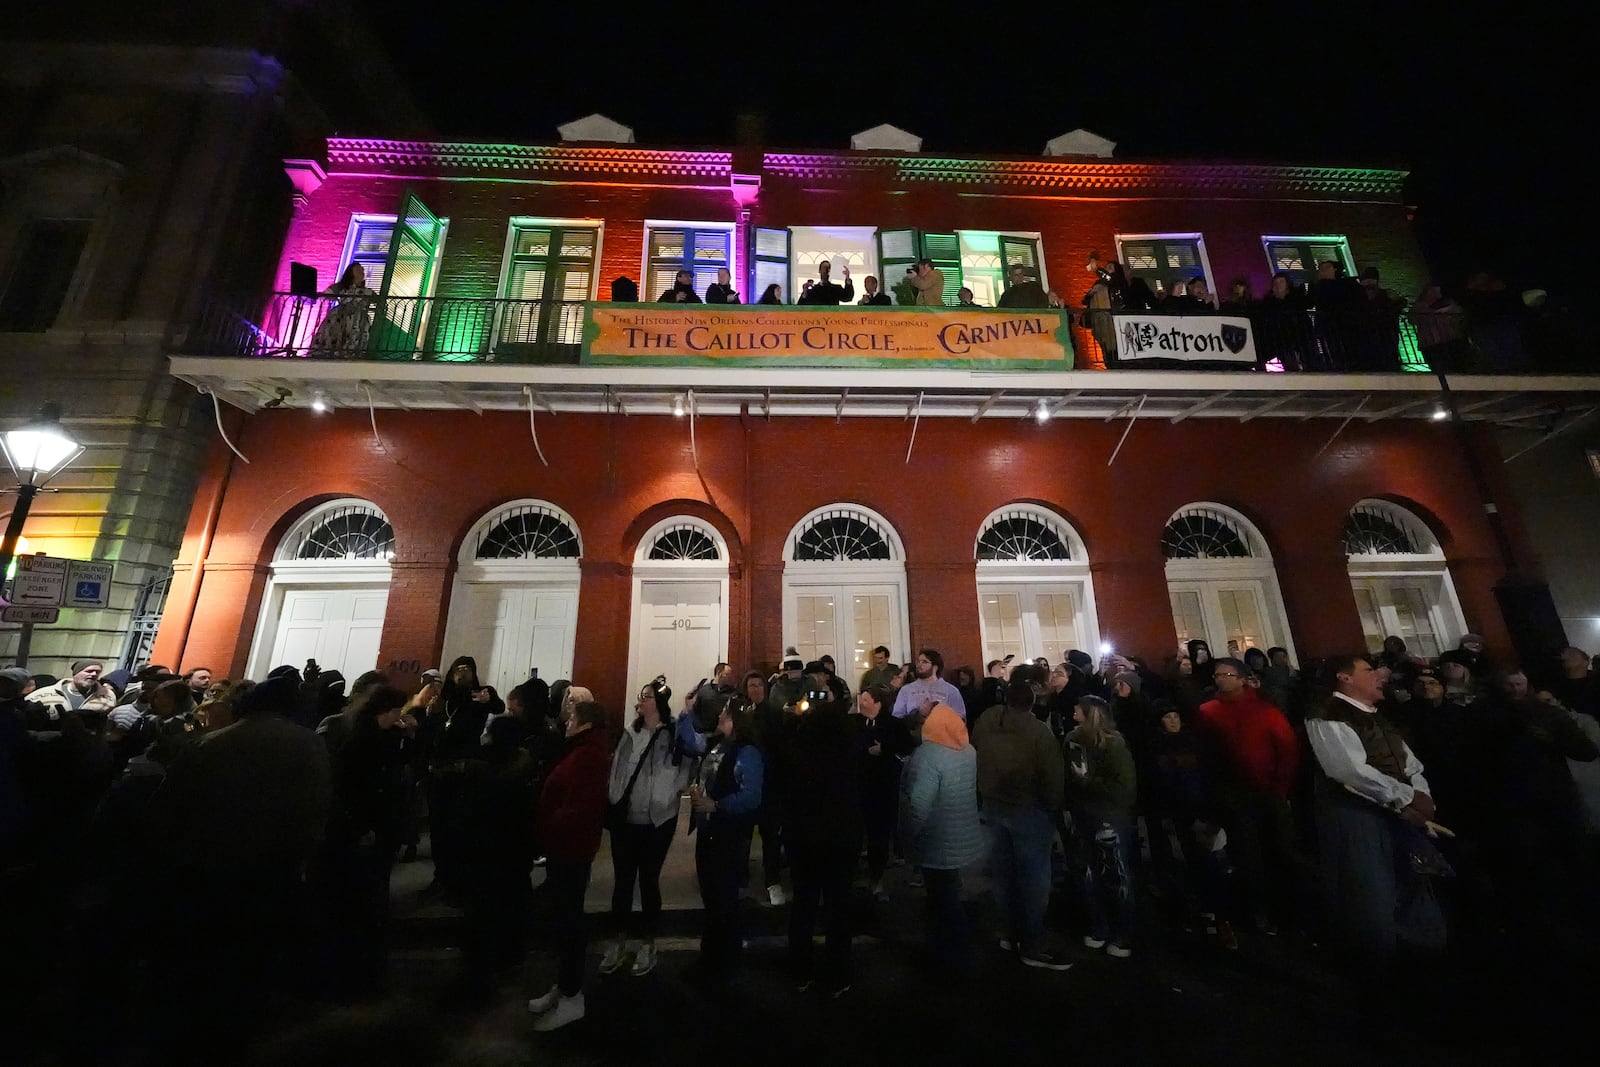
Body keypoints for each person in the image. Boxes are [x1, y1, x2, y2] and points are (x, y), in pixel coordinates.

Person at [1304, 655, 1445, 960]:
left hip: (1395, 811)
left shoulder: (1377, 716)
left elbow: (1410, 763)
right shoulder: (1326, 715)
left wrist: (1419, 795)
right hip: (1357, 814)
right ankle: (1380, 959)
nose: (1379, 675)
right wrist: (1403, 797)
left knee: (1411, 877)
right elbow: (1346, 770)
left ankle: (1421, 950)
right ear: (1345, 678)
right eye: (1368, 670)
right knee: (1370, 888)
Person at [970, 663, 1071, 970]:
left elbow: (975, 750)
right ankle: (1033, 943)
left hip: (993, 807)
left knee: (1003, 874)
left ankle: (1008, 933)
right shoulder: (1038, 733)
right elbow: (1052, 778)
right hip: (1029, 811)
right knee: (1034, 880)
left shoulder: (987, 721)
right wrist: (1054, 808)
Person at [1195, 657, 1301, 935]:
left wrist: (1280, 786)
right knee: (1247, 854)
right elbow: (1206, 755)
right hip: (1234, 794)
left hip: (1269, 791)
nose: (1221, 679)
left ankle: (1289, 909)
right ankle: (1259, 911)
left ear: (1243, 678)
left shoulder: (1265, 710)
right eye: (1218, 675)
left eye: (1227, 674)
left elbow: (1287, 748)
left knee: (1280, 850)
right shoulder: (1208, 712)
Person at [775, 671, 862, 997]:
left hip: (804, 837)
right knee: (838, 908)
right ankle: (838, 974)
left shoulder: (796, 747)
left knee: (805, 904)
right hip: (840, 837)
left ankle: (800, 970)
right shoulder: (848, 747)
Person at [527, 699, 611, 1031]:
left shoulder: (587, 756)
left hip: (570, 849)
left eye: (572, 717)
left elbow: (576, 809)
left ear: (585, 723)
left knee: (570, 922)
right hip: (566, 847)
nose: (567, 722)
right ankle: (563, 987)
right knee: (564, 920)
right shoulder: (581, 750)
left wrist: (544, 828)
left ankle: (572, 996)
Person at [599, 679, 692, 979]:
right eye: (642, 695)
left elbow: (687, 764)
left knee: (649, 881)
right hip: (626, 819)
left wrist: (671, 795)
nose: (641, 700)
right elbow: (617, 769)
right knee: (623, 882)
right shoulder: (629, 732)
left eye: (647, 696)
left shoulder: (674, 733)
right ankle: (618, 940)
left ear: (659, 703)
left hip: (657, 820)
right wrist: (614, 796)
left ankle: (647, 942)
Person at [680, 702, 764, 984]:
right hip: (709, 831)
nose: (719, 715)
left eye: (725, 713)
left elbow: (751, 795)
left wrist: (716, 805)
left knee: (724, 900)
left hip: (728, 834)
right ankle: (711, 959)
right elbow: (690, 740)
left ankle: (723, 963)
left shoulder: (747, 752)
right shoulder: (718, 744)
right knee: (712, 899)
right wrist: (688, 712)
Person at [900, 703, 983, 975]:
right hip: (962, 834)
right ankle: (951, 953)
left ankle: (950, 958)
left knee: (942, 901)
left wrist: (907, 837)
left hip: (936, 839)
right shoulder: (966, 750)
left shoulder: (928, 756)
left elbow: (918, 804)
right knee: (948, 895)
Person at [1065, 695, 1138, 958]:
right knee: (1087, 873)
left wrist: (1089, 784)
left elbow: (1125, 786)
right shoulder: (1072, 738)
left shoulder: (1113, 743)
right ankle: (1099, 925)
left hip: (1108, 816)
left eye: (1078, 707)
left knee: (1115, 874)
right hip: (1083, 814)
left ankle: (1124, 931)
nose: (1073, 710)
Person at [856, 683, 912, 901]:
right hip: (860, 785)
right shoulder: (856, 724)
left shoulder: (893, 725)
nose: (862, 703)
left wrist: (885, 750)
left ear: (878, 703)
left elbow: (906, 746)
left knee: (879, 835)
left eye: (867, 700)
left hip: (883, 787)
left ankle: (877, 878)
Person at [308, 262, 374, 357]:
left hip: (359, 320)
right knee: (336, 336)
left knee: (355, 338)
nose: (361, 272)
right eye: (358, 270)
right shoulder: (342, 286)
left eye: (362, 270)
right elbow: (327, 294)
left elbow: (379, 302)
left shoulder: (368, 291)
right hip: (341, 317)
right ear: (351, 273)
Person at [28, 659, 118, 720]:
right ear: (76, 673)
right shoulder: (45, 694)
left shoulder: (108, 695)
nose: (94, 674)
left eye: (97, 672)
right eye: (89, 671)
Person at [892, 649, 966, 721]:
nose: (919, 665)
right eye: (918, 661)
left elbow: (961, 719)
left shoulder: (951, 690)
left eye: (924, 662)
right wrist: (918, 714)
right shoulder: (906, 690)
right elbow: (897, 719)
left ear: (935, 667)